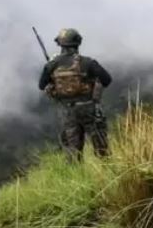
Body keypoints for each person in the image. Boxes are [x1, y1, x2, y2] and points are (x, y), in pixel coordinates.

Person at [38, 28, 112, 161]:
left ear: (60, 44)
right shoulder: (88, 62)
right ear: (78, 43)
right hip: (89, 108)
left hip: (67, 111)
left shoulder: (52, 65)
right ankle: (109, 171)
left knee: (72, 150)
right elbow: (107, 79)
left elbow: (42, 85)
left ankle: (76, 175)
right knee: (101, 146)